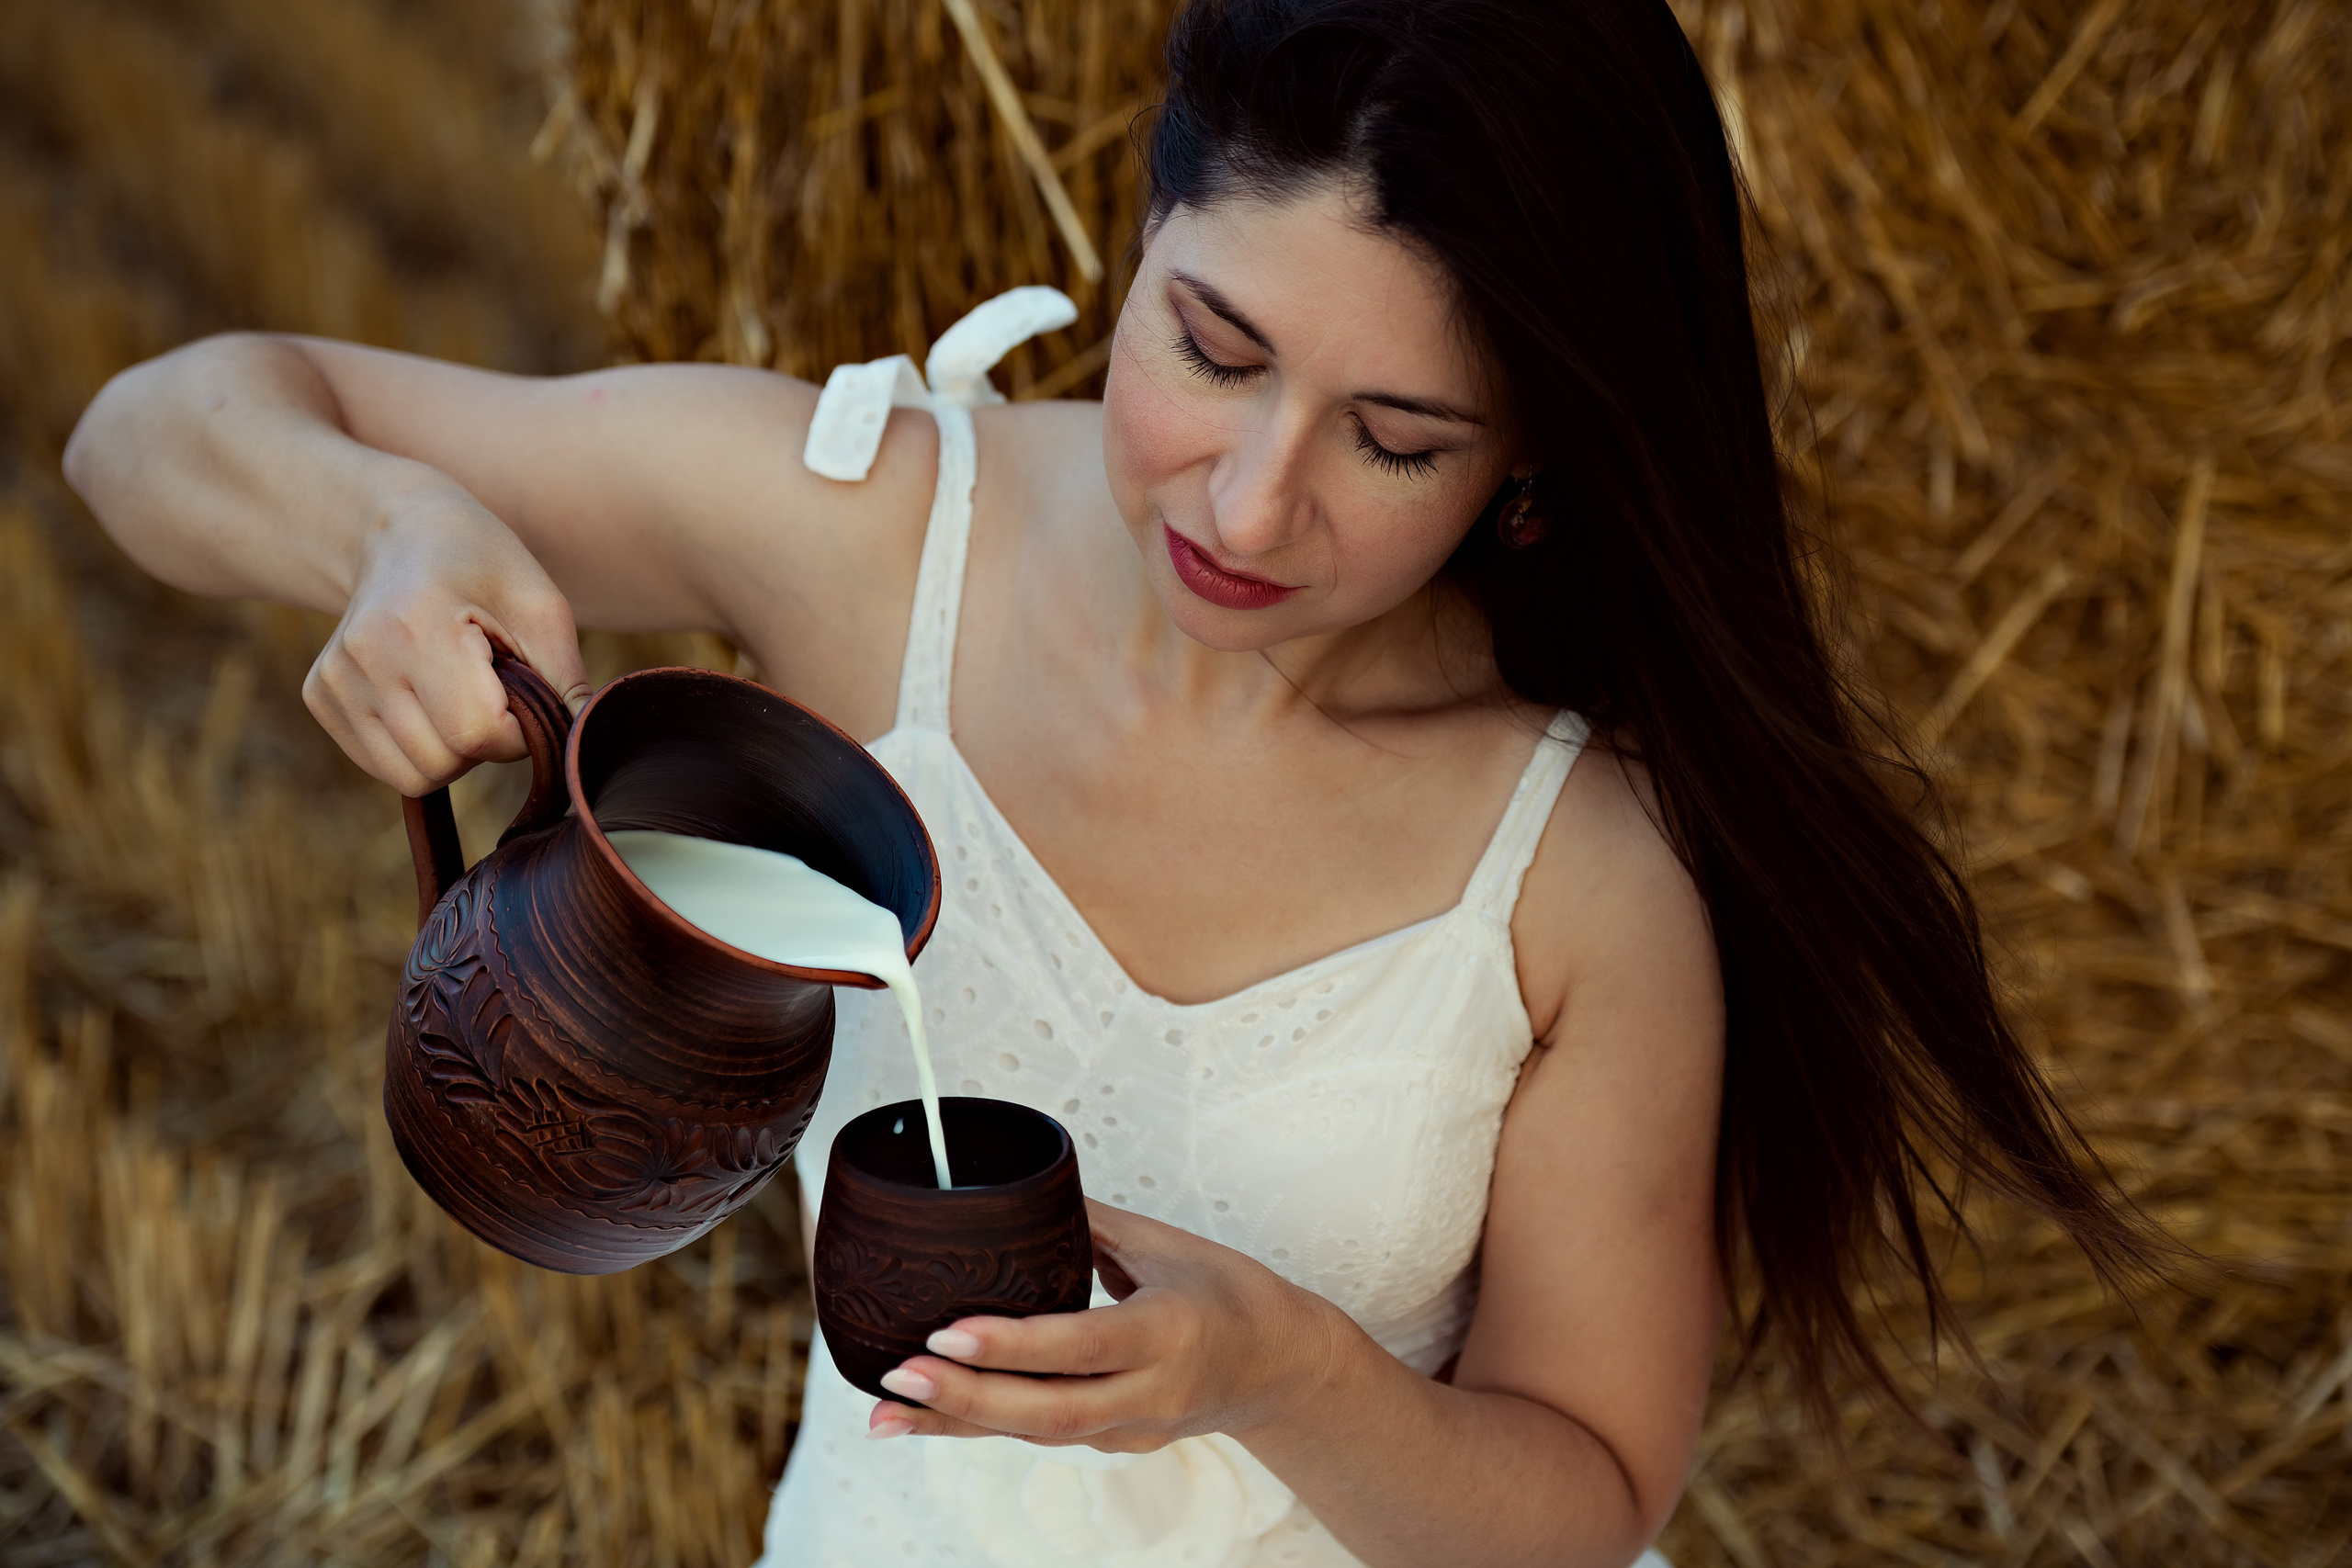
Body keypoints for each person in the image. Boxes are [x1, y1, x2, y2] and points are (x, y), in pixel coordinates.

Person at [64, 0, 2163, 1563]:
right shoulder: (866, 529)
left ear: (1534, 454)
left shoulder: (1578, 870)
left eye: (1397, 437)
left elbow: (1587, 1493)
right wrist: (386, 536)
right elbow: (157, 424)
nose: (1252, 500)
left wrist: (1287, 1372)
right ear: (1137, 225)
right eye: (1212, 349)